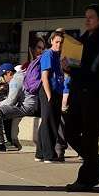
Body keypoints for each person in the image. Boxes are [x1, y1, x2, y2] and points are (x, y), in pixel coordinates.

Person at [62, 4, 99, 191]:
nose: (87, 20)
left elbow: (95, 68)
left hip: (94, 93)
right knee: (69, 131)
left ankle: (86, 178)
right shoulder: (84, 38)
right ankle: (96, 165)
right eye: (85, 17)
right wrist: (67, 66)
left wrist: (74, 68)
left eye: (91, 17)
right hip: (79, 91)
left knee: (89, 137)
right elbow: (78, 63)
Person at [0, 63, 38, 152]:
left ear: (9, 73)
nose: (4, 79)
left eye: (3, 76)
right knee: (1, 110)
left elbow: (10, 101)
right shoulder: (20, 76)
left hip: (26, 107)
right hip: (26, 106)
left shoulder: (15, 80)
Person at [36, 30, 67, 163]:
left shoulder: (59, 56)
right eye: (56, 42)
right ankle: (49, 154)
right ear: (51, 42)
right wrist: (49, 95)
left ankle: (40, 153)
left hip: (57, 92)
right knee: (50, 122)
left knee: (47, 122)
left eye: (61, 42)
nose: (59, 45)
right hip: (49, 91)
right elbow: (45, 77)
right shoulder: (48, 54)